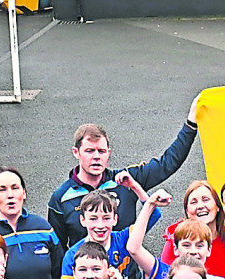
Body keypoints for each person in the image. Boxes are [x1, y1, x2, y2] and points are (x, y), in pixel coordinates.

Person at [48, 104, 201, 245]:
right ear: (76, 152)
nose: (96, 156)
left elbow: (167, 163)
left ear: (108, 153)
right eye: (89, 151)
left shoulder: (126, 181)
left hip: (128, 273)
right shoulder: (61, 198)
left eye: (101, 151)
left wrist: (191, 124)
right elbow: (57, 251)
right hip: (87, 274)